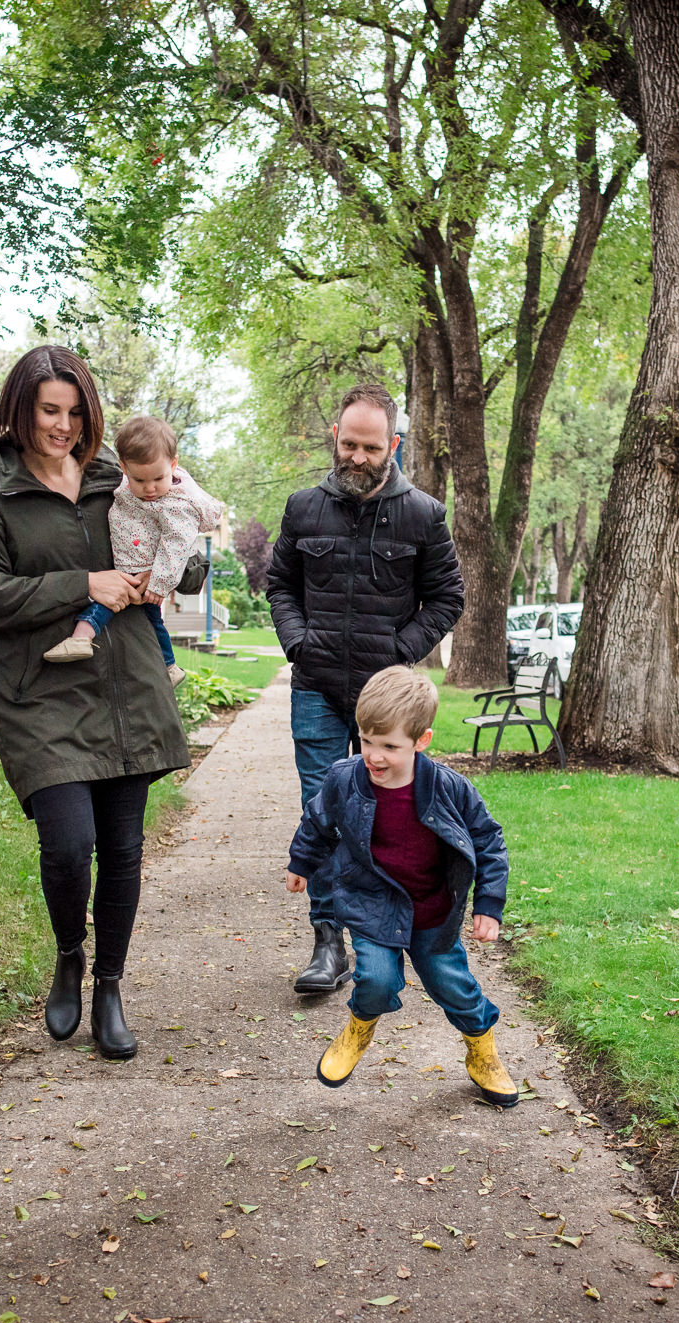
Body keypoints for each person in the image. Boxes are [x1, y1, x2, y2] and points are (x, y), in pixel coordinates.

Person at [0, 346, 190, 1061]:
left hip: (126, 689)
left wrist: (180, 563)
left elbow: (174, 537)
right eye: (48, 410)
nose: (62, 425)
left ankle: (110, 988)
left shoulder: (117, 478)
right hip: (42, 692)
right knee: (68, 843)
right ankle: (69, 955)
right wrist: (83, 583)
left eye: (74, 411)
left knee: (122, 847)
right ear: (20, 409)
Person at [266, 384, 464, 993]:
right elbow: (279, 585)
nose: (356, 458)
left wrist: (398, 654)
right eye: (348, 444)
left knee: (386, 815)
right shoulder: (303, 508)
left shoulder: (423, 515)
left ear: (393, 445)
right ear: (336, 437)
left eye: (370, 448)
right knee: (323, 813)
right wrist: (299, 643)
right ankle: (328, 943)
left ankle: (379, 932)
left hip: (387, 701)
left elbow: (448, 598)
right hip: (317, 688)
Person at [282, 667, 517, 1107]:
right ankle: (358, 1028)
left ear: (420, 741)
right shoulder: (344, 778)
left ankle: (482, 1052)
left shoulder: (448, 788)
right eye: (367, 741)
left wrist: (488, 903)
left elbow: (488, 838)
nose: (374, 756)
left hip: (432, 912)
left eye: (389, 746)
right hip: (373, 907)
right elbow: (318, 820)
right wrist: (302, 862)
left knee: (455, 989)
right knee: (376, 979)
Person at [43, 415, 225, 688]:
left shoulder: (178, 505)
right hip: (129, 563)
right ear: (124, 468)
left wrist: (159, 583)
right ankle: (169, 666)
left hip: (145, 573)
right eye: (139, 479)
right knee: (153, 620)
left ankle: (82, 636)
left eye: (158, 478)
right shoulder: (127, 488)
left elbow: (176, 545)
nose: (150, 488)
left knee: (111, 604)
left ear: (173, 465)